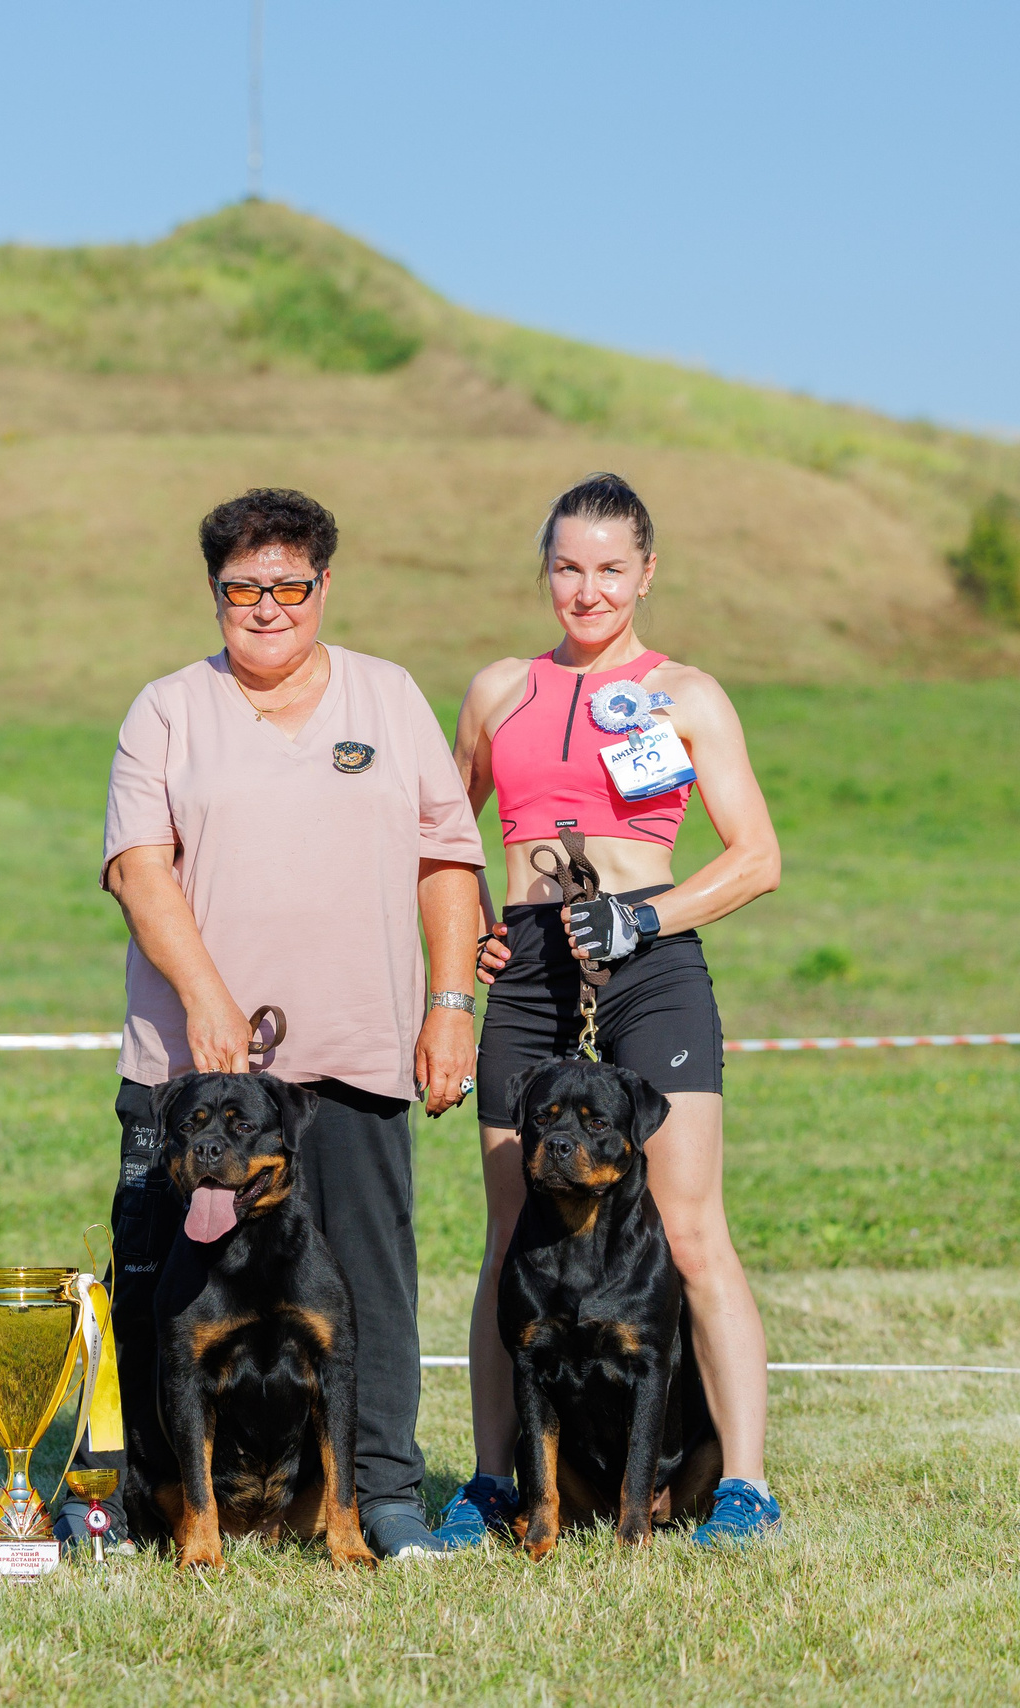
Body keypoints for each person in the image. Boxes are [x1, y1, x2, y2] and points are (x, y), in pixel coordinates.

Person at [71, 487, 487, 1562]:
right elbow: (138, 868)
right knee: (160, 1294)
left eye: (287, 585)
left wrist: (449, 1005)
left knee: (369, 1283)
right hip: (191, 1071)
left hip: (357, 1050)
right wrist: (208, 999)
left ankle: (382, 1493)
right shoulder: (165, 707)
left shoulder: (388, 699)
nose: (265, 607)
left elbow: (447, 859)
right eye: (241, 588)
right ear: (214, 591)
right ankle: (151, 1500)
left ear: (322, 587)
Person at [432, 472, 783, 1550]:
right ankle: (494, 1483)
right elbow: (446, 838)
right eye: (567, 568)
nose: (586, 591)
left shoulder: (687, 692)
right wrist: (481, 921)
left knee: (688, 1230)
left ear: (645, 574)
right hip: (531, 969)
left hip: (651, 956)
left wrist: (645, 919)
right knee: (508, 1235)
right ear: (546, 569)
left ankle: (743, 1488)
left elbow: (757, 857)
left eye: (609, 570)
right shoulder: (498, 687)